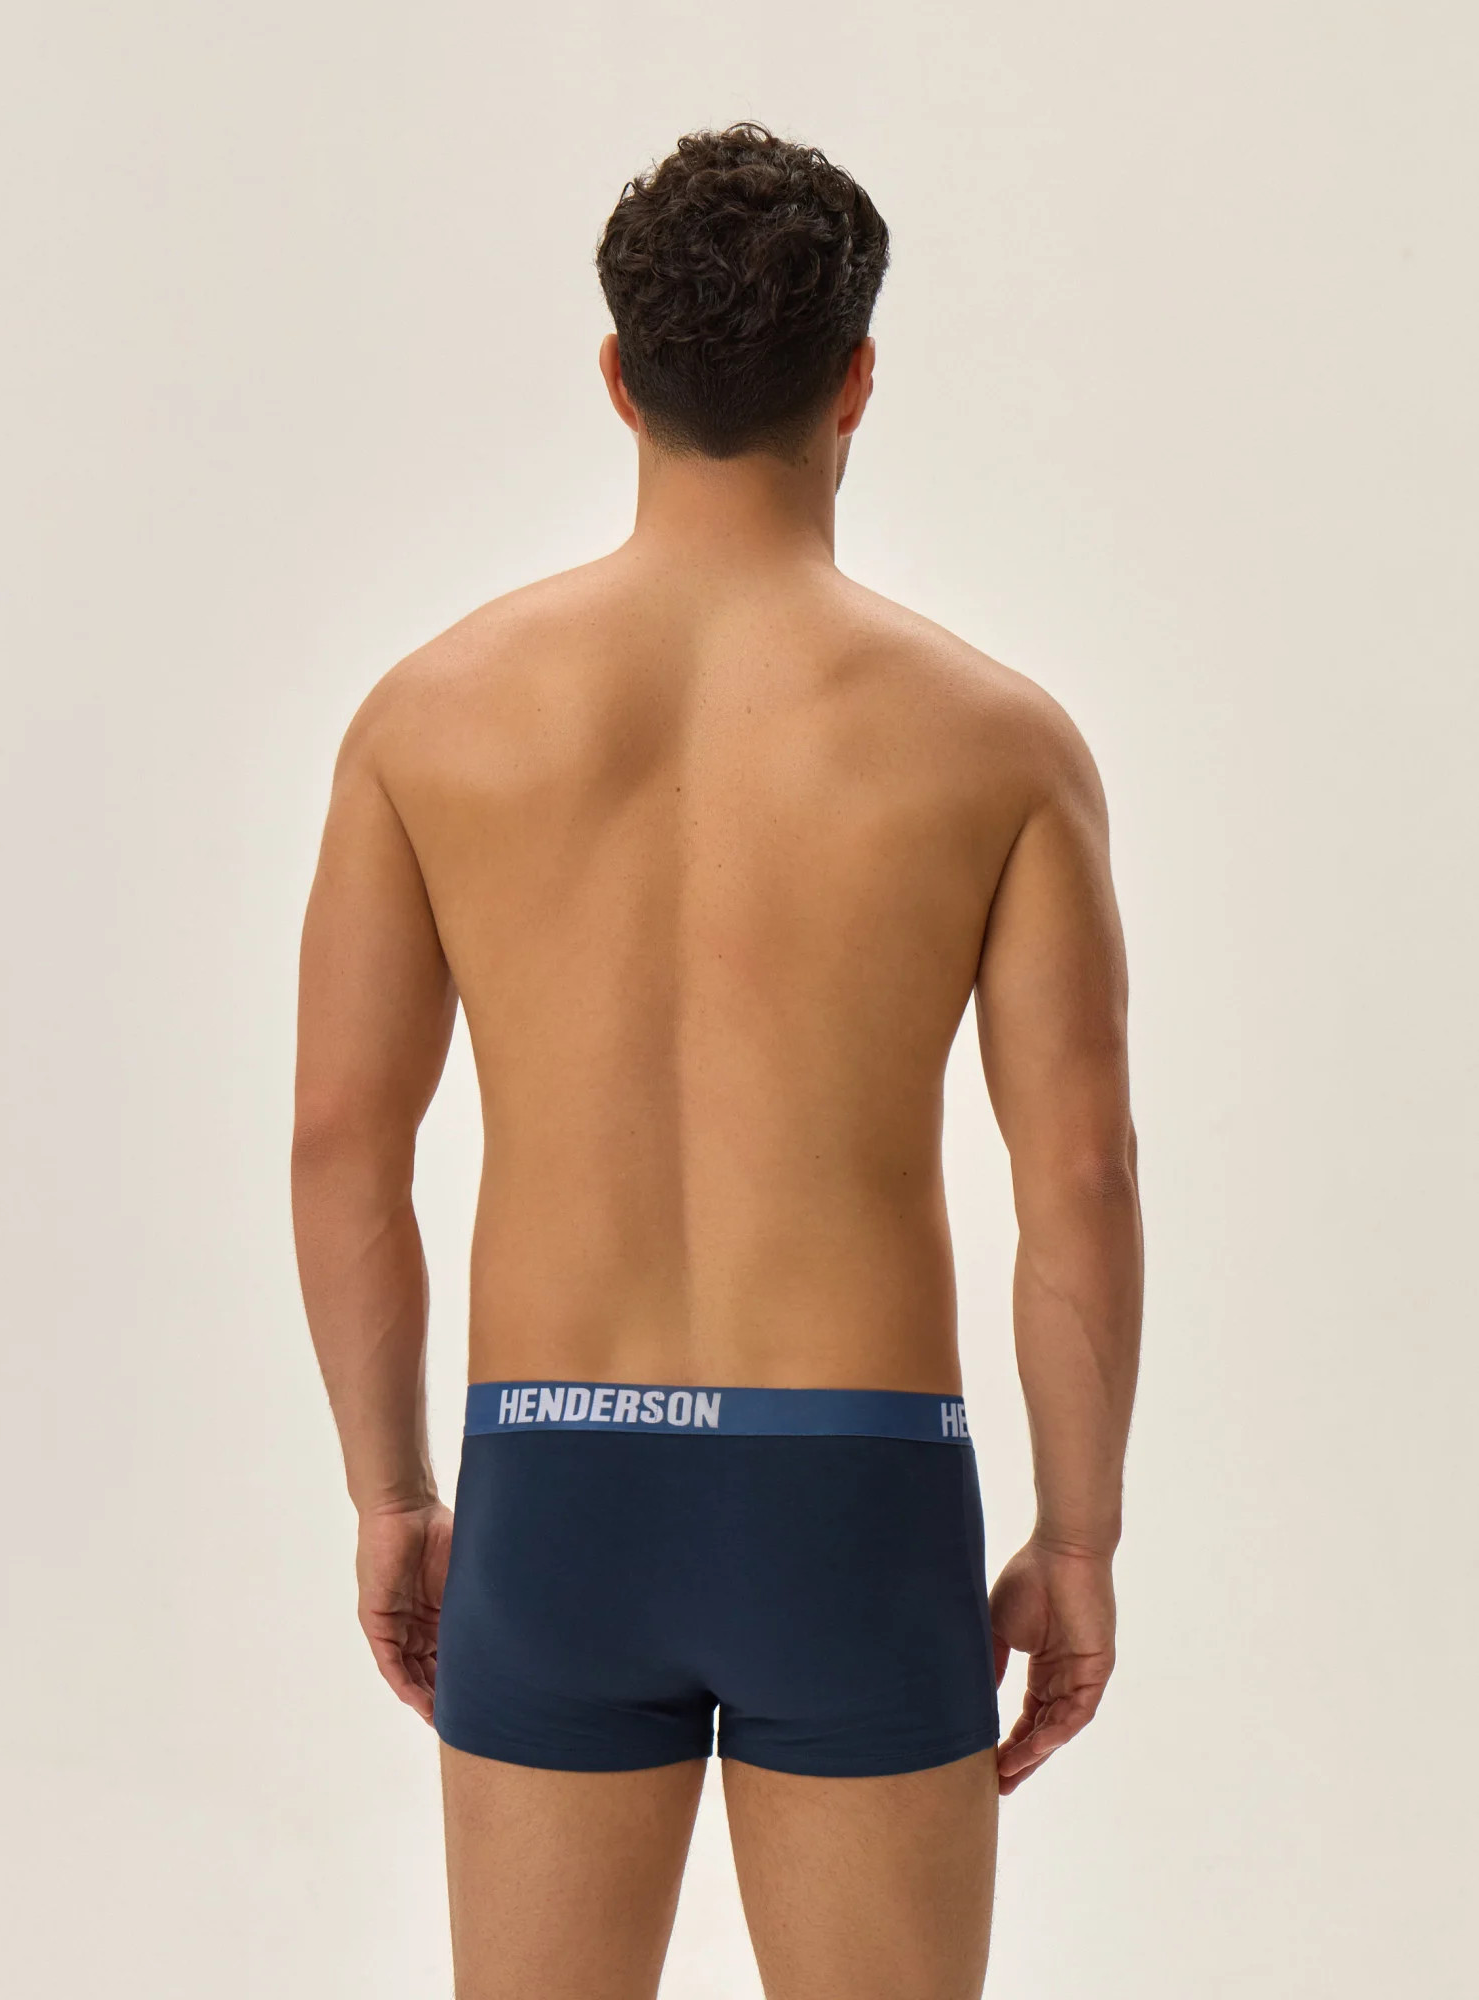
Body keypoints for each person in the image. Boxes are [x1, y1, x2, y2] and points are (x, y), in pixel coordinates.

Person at [291, 121, 1143, 2000]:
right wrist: (1075, 1539)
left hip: (552, 1481)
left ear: (618, 377)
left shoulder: (426, 721)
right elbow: (1077, 1176)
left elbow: (345, 1139)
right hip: (855, 1497)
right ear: (857, 381)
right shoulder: (995, 744)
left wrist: (392, 1496)